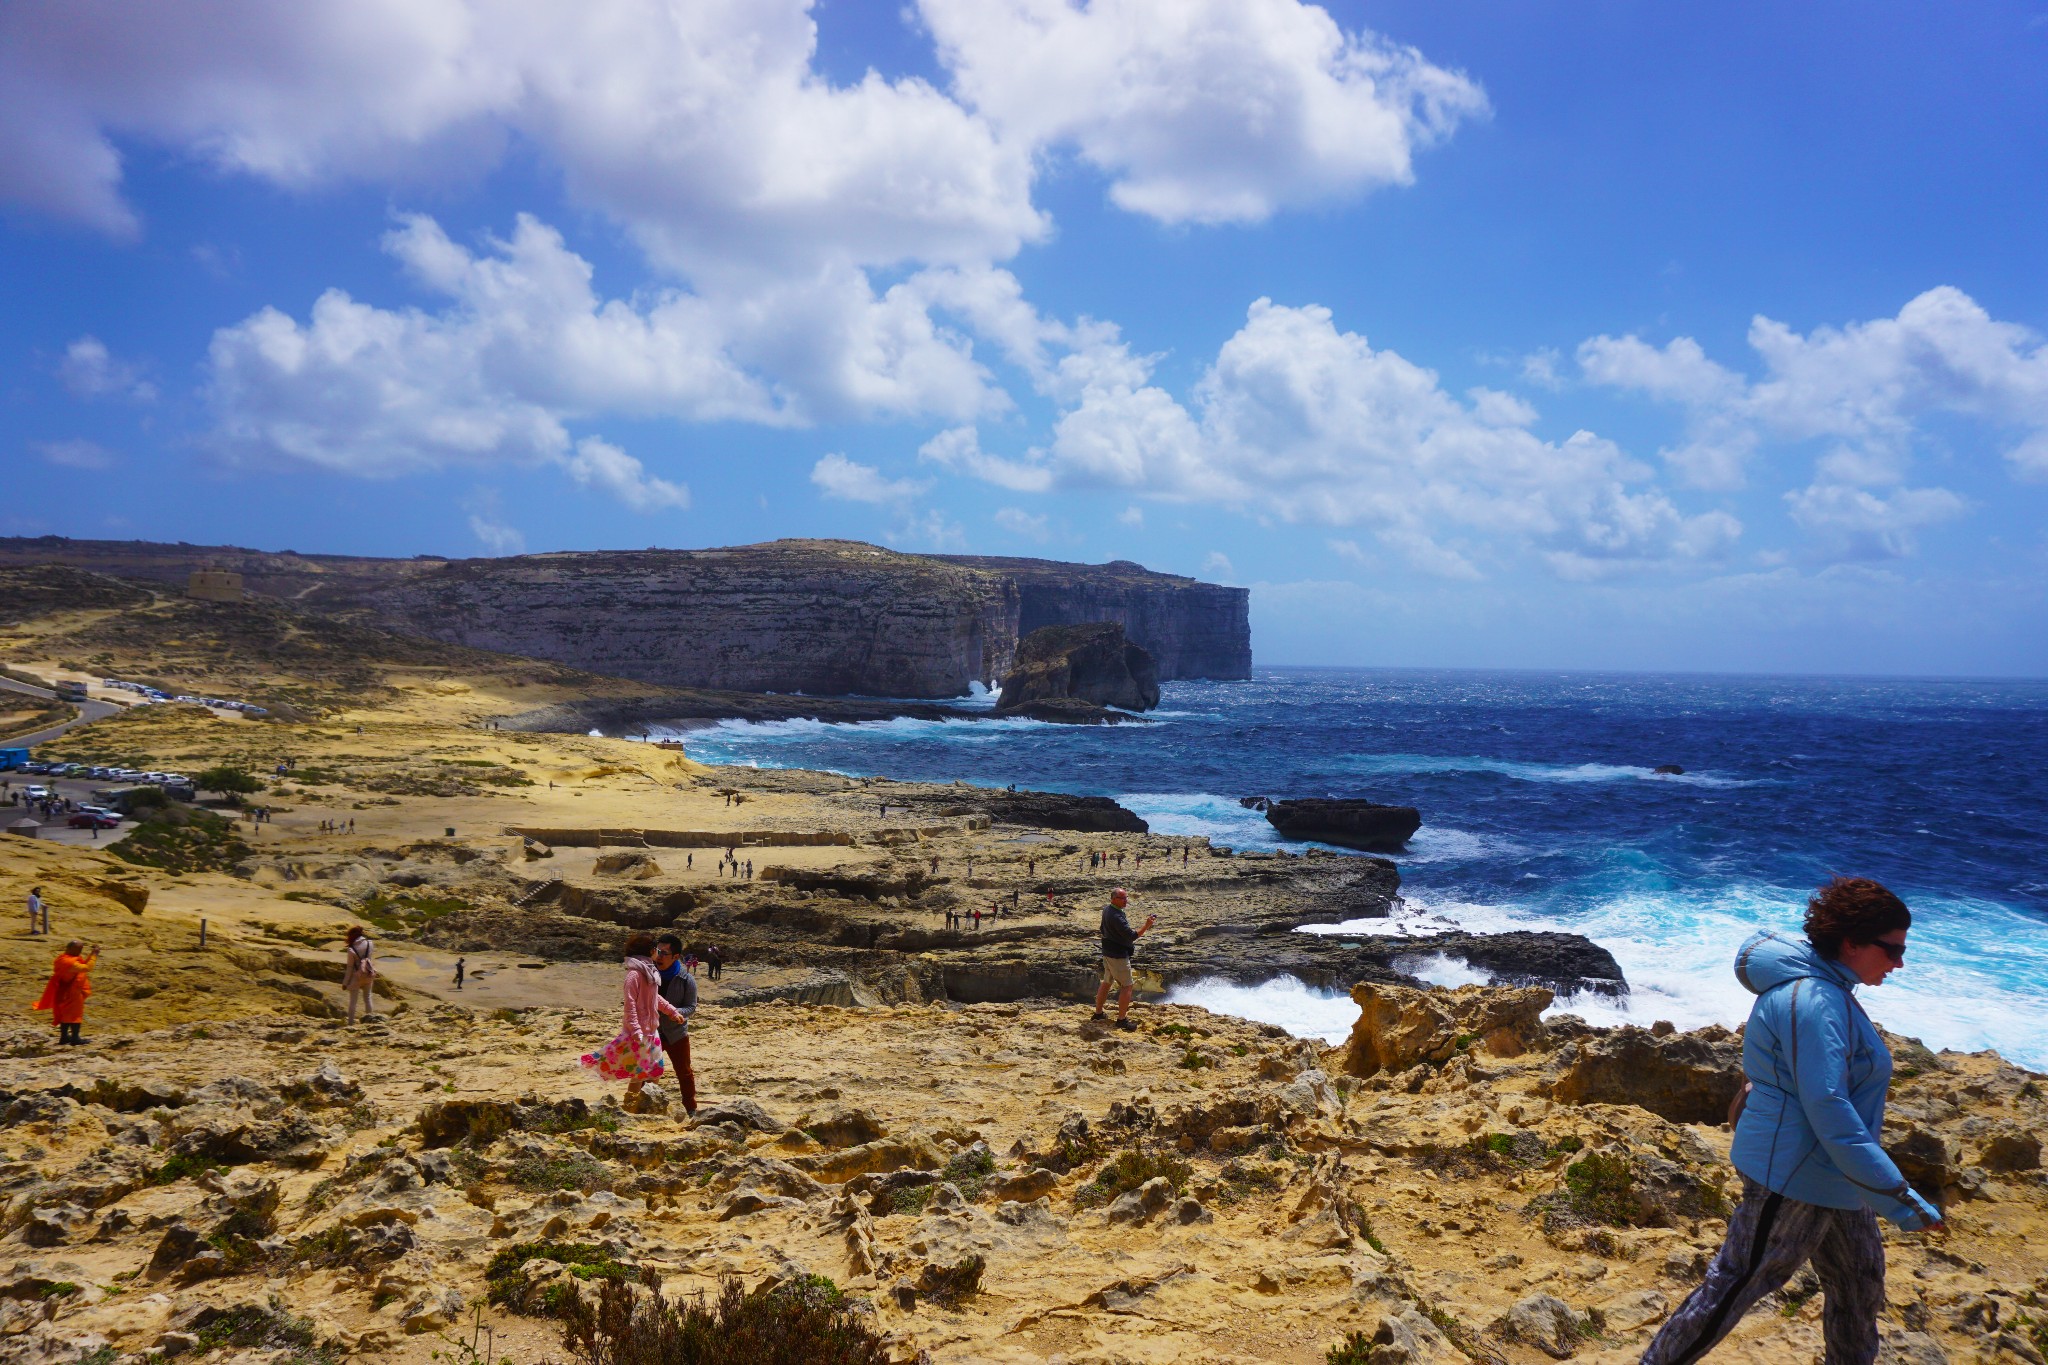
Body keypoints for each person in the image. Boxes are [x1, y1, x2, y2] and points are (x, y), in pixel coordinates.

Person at [1638, 877, 1940, 1365]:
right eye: (1891, 950)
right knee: (1733, 1289)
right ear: (1852, 942)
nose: (1899, 963)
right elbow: (1828, 1105)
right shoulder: (1814, 1000)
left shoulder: (1830, 991)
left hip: (1836, 1174)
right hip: (1795, 1176)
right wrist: (1900, 1197)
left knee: (1859, 1286)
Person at [580, 931, 686, 1112]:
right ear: (650, 951)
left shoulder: (650, 972)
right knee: (639, 1074)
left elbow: (655, 998)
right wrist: (637, 1031)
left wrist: (672, 1011)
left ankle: (650, 1105)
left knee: (656, 1070)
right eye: (656, 950)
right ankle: (630, 1107)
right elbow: (630, 1006)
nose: (659, 954)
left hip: (652, 1031)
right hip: (641, 1033)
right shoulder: (634, 975)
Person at [1092, 888, 1154, 1031]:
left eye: (1126, 898)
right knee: (1127, 986)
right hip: (1117, 955)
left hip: (1107, 952)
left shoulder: (1107, 909)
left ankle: (1098, 1013)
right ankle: (1121, 1020)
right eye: (1123, 898)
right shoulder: (1116, 917)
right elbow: (1132, 936)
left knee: (1107, 982)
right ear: (1113, 899)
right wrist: (1147, 925)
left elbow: (1102, 929)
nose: (1126, 901)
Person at [652, 935, 699, 1115]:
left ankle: (691, 1108)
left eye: (664, 953)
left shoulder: (686, 980)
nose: (659, 956)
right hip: (653, 1032)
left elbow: (691, 1007)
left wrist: (677, 1013)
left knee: (684, 1072)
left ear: (676, 956)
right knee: (646, 1070)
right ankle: (642, 1104)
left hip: (676, 1034)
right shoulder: (649, 976)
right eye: (657, 952)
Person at [33, 940, 97, 1045]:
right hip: (71, 992)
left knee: (66, 1014)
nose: (80, 952)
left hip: (65, 990)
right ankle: (75, 1038)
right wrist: (94, 955)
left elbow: (83, 964)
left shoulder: (63, 958)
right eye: (78, 949)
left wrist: (91, 954)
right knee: (75, 1014)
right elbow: (86, 967)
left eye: (81, 949)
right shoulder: (67, 962)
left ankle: (64, 1037)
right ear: (69, 948)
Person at [342, 926, 376, 1024]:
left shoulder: (351, 949)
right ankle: (370, 1022)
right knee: (368, 998)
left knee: (353, 1001)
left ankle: (351, 1024)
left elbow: (349, 967)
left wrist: (345, 983)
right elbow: (368, 958)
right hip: (368, 973)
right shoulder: (370, 943)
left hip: (356, 976)